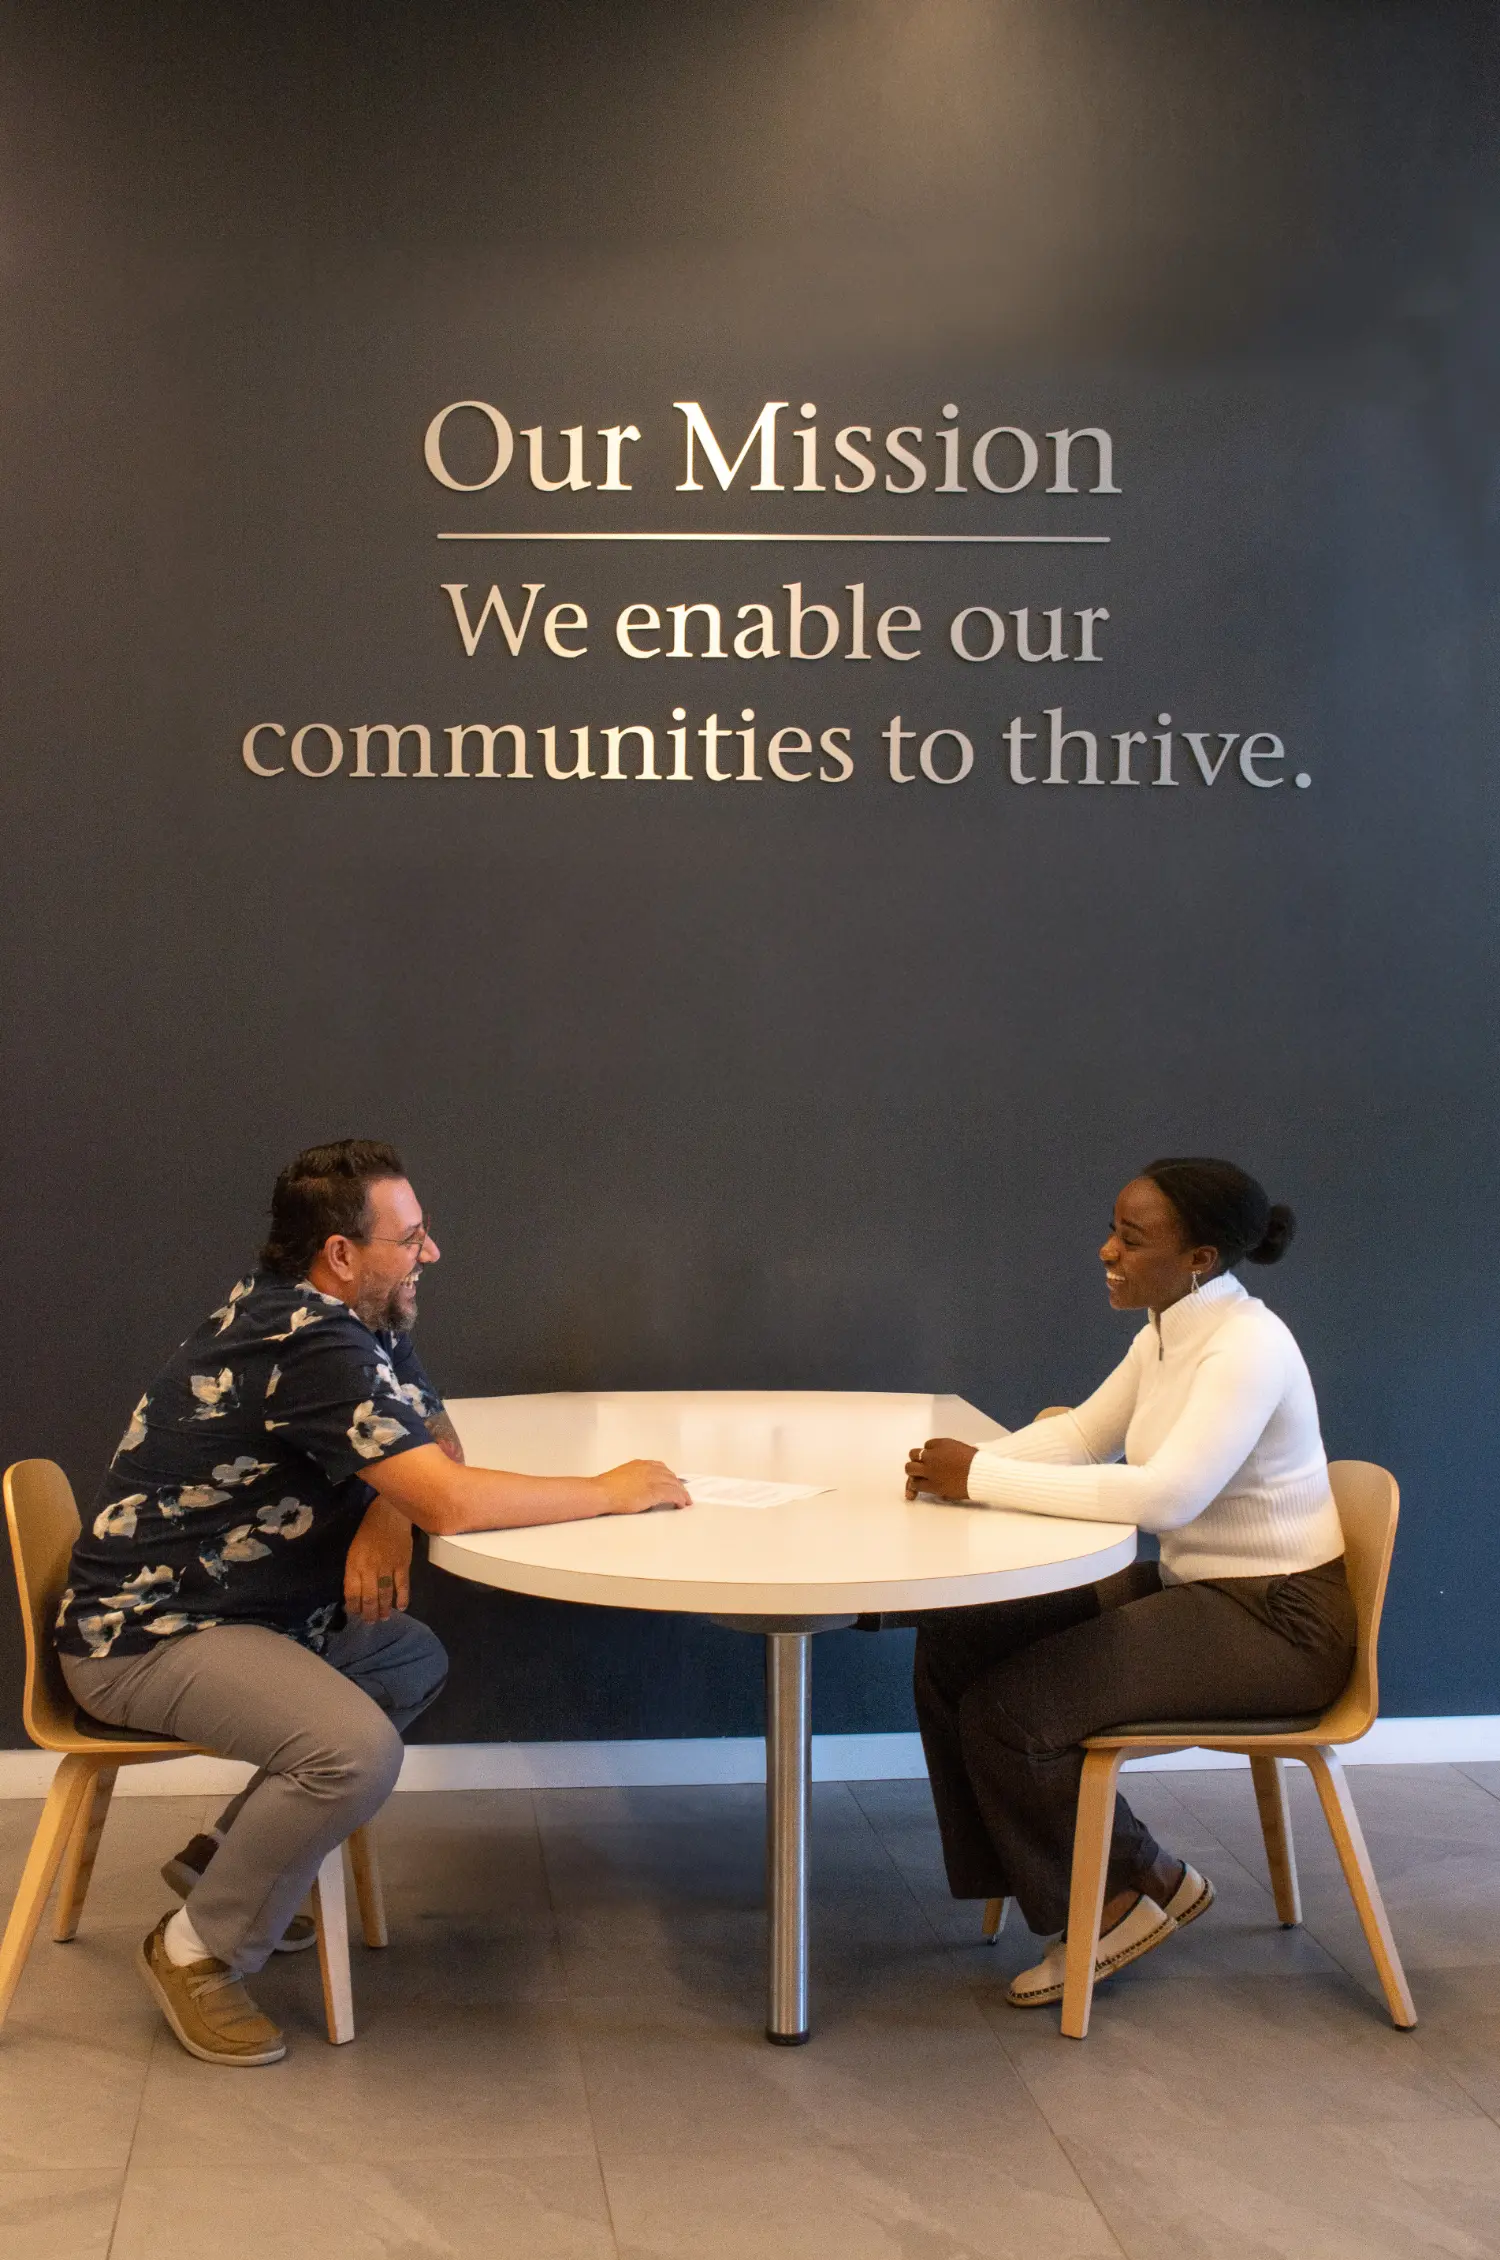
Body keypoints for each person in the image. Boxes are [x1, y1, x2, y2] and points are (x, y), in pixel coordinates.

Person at [56, 1139, 688, 2067]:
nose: (431, 1254)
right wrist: (614, 1487)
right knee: (352, 1752)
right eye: (413, 1237)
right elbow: (456, 1500)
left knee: (408, 1657)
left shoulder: (354, 1321)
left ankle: (220, 1867)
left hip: (244, 1613)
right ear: (341, 1254)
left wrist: (389, 1512)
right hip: (150, 1633)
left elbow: (439, 1444)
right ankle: (196, 1951)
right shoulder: (304, 1339)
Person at [904, 1158, 1355, 2007]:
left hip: (1280, 1621)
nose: (1108, 1250)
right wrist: (958, 1466)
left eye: (1132, 1238)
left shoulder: (1246, 1347)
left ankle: (1115, 1906)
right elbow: (1082, 1437)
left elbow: (1167, 1495)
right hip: (1208, 1589)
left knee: (1013, 1716)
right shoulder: (1165, 1329)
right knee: (961, 1637)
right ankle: (1134, 1877)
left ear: (1201, 1257)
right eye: (1114, 1228)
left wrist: (981, 1479)